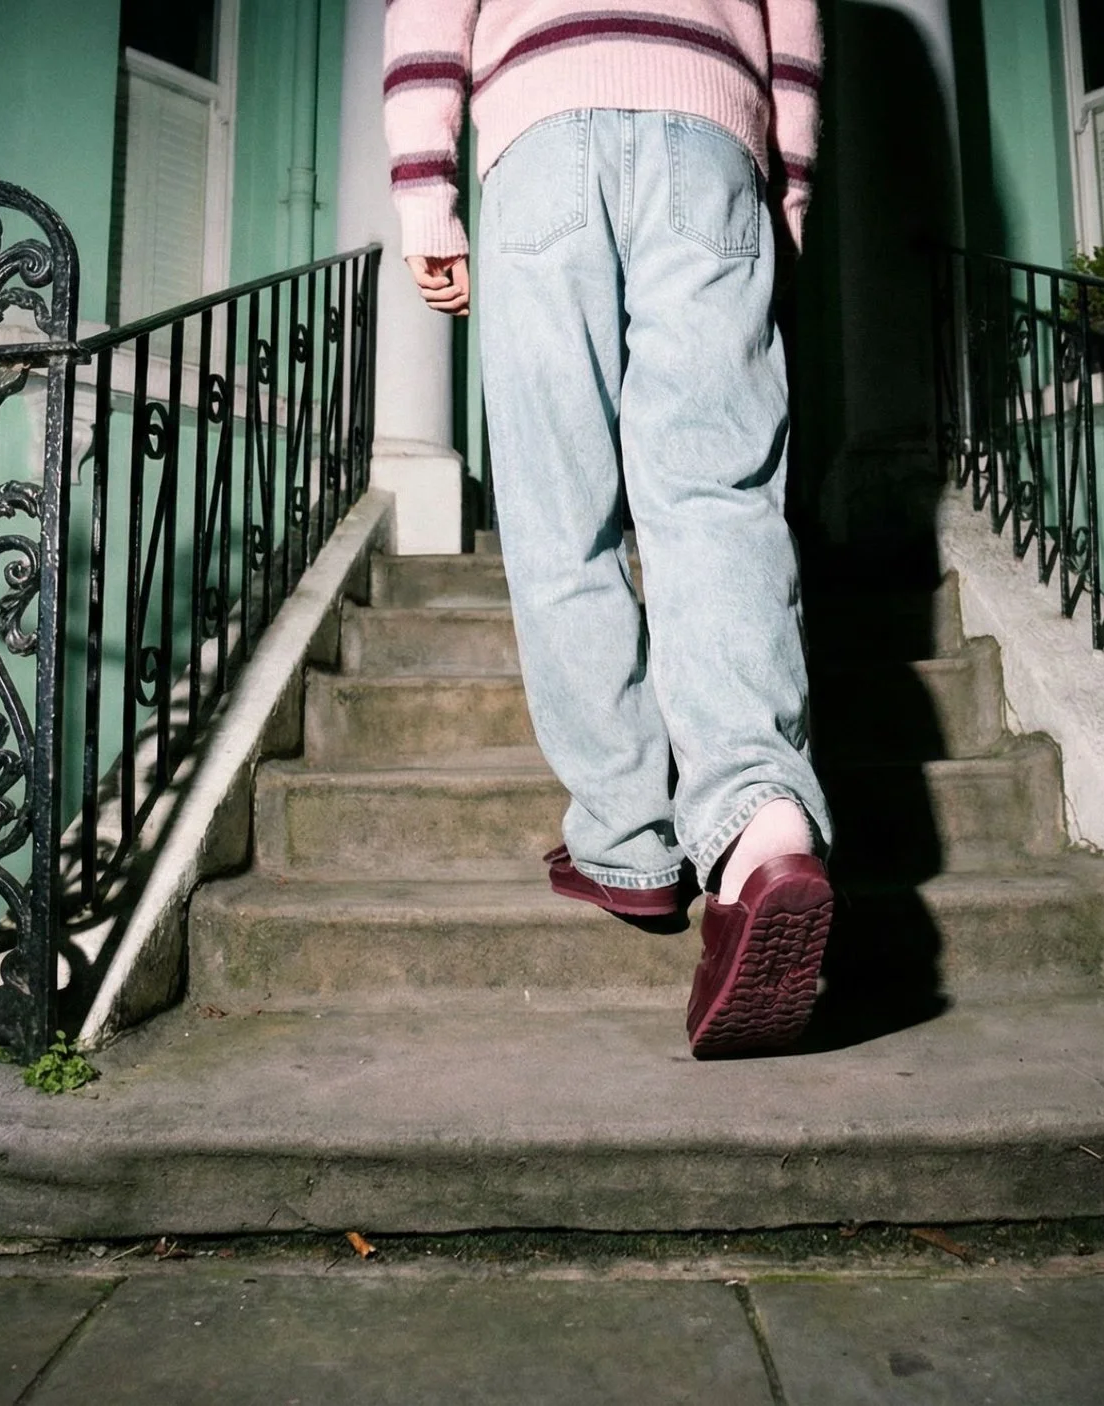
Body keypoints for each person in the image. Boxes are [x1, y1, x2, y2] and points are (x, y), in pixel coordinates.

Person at [383, 1, 831, 1057]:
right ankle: (762, 826)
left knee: (560, 516)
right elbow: (798, 23)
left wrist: (423, 190)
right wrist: (790, 190)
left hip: (544, 146)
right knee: (716, 497)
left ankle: (628, 840)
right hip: (715, 142)